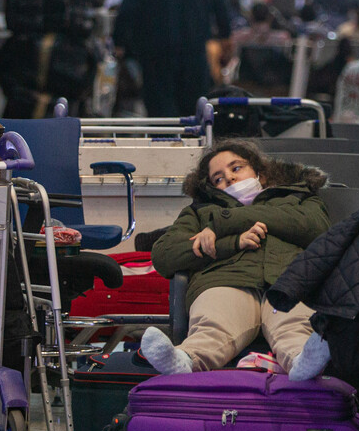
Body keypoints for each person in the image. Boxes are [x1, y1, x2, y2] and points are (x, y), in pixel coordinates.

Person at [141, 140, 331, 376]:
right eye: (218, 178)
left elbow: (316, 229)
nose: (229, 178)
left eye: (236, 168)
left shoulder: (299, 196)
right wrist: (230, 243)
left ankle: (302, 361)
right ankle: (184, 359)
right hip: (225, 279)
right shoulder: (200, 211)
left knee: (293, 326)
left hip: (289, 277)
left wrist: (223, 223)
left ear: (259, 174)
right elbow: (164, 254)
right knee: (214, 326)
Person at [113, 0, 232, 117]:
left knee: (162, 120)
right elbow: (220, 8)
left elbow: (127, 12)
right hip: (194, 54)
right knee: (194, 117)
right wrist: (225, 39)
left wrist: (120, 43)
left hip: (155, 57)